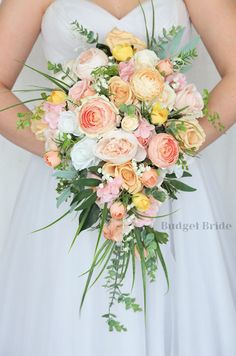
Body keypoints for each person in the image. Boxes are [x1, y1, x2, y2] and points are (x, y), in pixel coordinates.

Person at [0, 0, 235, 355]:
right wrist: (69, 147)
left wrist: (171, 143)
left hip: (164, 182)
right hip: (70, 182)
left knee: (173, 299)